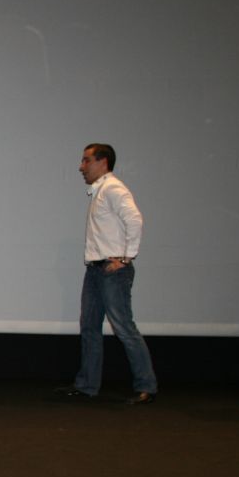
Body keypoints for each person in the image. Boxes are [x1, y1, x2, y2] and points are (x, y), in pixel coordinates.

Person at [57, 143, 157, 404]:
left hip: (112, 271)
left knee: (124, 327)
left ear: (103, 162)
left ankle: (146, 386)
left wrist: (126, 258)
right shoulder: (99, 191)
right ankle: (87, 385)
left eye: (86, 160)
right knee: (89, 327)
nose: (81, 166)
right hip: (95, 269)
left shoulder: (113, 188)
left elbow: (134, 220)